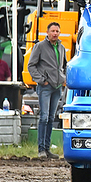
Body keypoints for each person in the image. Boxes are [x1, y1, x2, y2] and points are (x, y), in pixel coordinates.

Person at [27, 22, 67, 159]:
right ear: (47, 32)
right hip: (45, 87)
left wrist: (64, 79)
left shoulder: (61, 48)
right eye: (53, 31)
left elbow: (64, 65)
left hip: (57, 88)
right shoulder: (39, 46)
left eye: (57, 31)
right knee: (43, 117)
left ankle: (48, 149)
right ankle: (41, 149)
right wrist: (41, 80)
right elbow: (31, 65)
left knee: (51, 118)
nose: (55, 33)